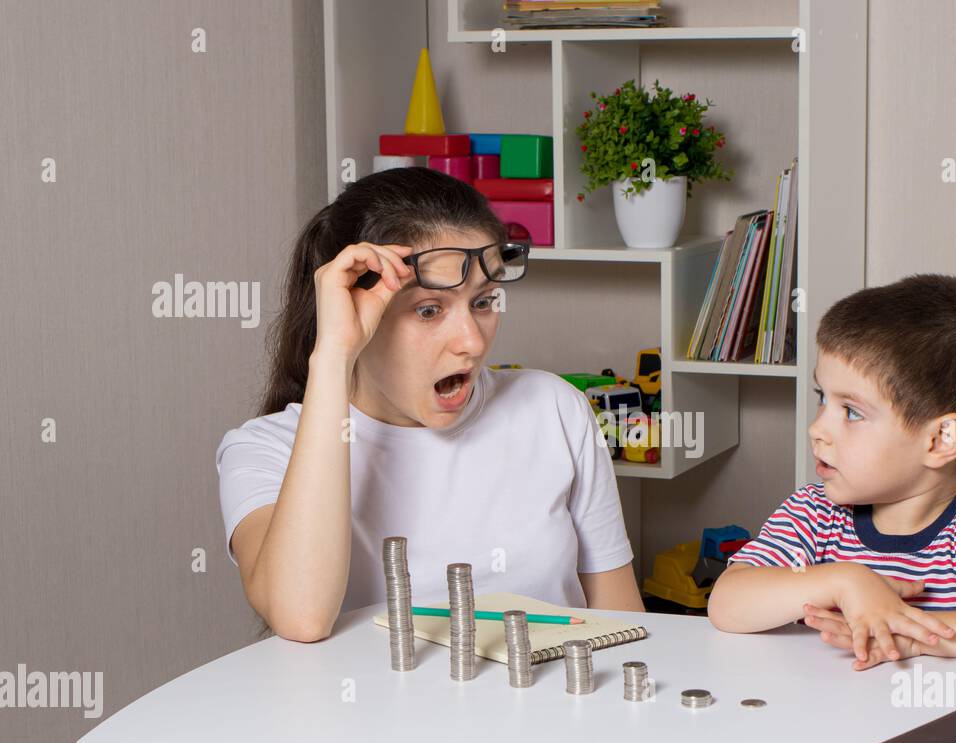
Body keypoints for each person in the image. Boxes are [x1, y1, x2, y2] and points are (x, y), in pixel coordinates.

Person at [216, 167, 644, 643]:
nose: (471, 342)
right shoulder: (263, 449)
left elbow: (622, 626)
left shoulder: (554, 409)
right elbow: (301, 618)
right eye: (428, 310)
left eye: (483, 302)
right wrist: (335, 353)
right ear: (358, 313)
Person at [708, 274, 956, 669]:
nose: (817, 428)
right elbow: (728, 602)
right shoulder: (813, 515)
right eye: (822, 398)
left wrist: (912, 633)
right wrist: (845, 581)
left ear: (940, 440)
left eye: (853, 412)